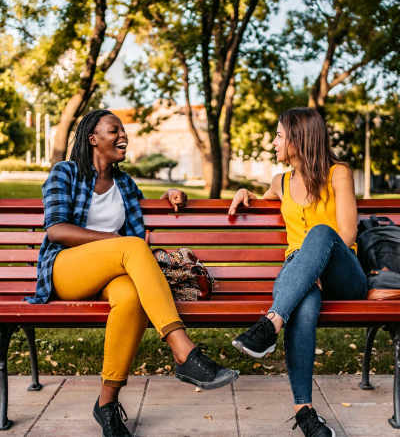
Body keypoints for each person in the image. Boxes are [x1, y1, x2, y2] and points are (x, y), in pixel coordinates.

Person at [27, 109, 238, 437]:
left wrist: (168, 196)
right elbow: (56, 230)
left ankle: (107, 405)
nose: (123, 136)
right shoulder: (64, 173)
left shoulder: (124, 183)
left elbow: (135, 226)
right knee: (131, 246)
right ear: (92, 139)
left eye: (123, 131)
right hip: (67, 270)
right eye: (114, 131)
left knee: (130, 298)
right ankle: (184, 351)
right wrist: (113, 242)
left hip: (110, 275)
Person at [228, 107, 367, 437]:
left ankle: (271, 323)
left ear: (298, 139)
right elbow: (260, 200)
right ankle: (303, 410)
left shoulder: (338, 174)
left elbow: (346, 235)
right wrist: (245, 193)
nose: (273, 142)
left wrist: (316, 265)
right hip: (301, 278)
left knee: (320, 232)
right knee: (303, 301)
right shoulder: (281, 181)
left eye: (279, 135)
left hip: (343, 273)